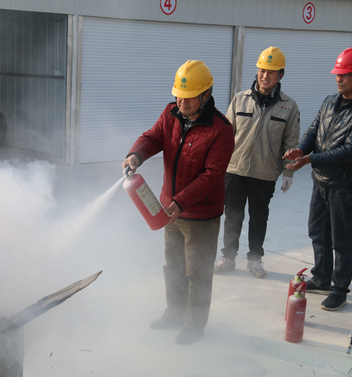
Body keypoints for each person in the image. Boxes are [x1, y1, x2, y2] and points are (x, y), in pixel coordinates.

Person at [122, 60, 234, 344]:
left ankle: (194, 324)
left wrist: (181, 202)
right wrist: (136, 154)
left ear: (206, 95)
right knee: (173, 267)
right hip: (169, 210)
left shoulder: (221, 129)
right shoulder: (171, 112)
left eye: (189, 97)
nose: (182, 102)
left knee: (197, 272)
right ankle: (173, 313)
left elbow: (212, 175)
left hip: (200, 216)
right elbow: (153, 137)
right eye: (179, 96)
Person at [283, 47, 352, 311]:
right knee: (317, 232)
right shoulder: (329, 101)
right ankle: (322, 278)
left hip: (344, 185)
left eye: (346, 75)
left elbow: (351, 151)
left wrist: (310, 159)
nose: (339, 79)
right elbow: (314, 130)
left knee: (342, 239)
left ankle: (339, 289)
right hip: (321, 180)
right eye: (338, 74)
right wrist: (301, 149)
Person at [214, 47, 300, 279]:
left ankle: (255, 259)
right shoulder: (240, 100)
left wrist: (289, 172)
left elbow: (291, 142)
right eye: (262, 70)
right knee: (232, 216)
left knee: (259, 218)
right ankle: (228, 257)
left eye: (271, 72)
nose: (265, 76)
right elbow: (225, 136)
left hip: (265, 173)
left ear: (280, 75)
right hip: (235, 170)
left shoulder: (289, 106)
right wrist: (218, 166)